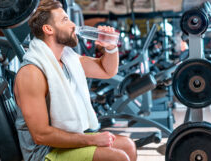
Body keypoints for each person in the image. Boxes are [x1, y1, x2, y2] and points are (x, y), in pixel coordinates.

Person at [13, 0, 137, 161]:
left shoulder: (67, 59)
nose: (73, 25)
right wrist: (92, 139)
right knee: (117, 157)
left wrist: (110, 47)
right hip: (43, 153)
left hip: (66, 142)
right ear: (48, 29)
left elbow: (107, 70)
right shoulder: (32, 73)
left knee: (128, 145)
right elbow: (41, 135)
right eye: (65, 20)